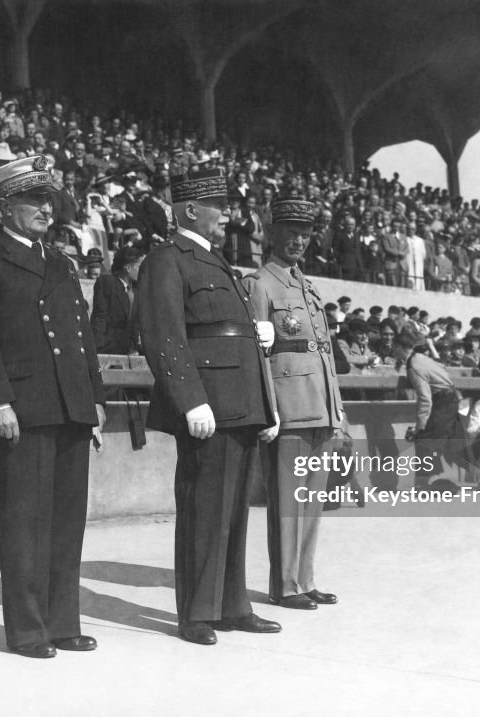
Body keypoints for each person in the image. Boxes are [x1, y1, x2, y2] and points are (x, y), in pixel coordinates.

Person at [0, 155, 106, 659]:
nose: (47, 208)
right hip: (21, 408)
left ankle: (63, 623)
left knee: (67, 522)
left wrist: (94, 400)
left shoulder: (60, 264)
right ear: (3, 206)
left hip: (70, 407)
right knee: (23, 524)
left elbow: (81, 337)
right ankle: (27, 630)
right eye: (34, 200)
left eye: (49, 199)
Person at [138, 168, 280, 646]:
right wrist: (190, 399)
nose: (227, 214)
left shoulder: (217, 261)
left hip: (241, 405)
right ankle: (197, 612)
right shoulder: (167, 259)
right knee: (203, 510)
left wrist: (266, 403)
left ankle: (232, 605)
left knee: (235, 512)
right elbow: (164, 335)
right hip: (208, 408)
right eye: (218, 204)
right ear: (191, 209)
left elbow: (240, 340)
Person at [243, 198, 342, 611]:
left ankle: (305, 578)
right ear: (272, 234)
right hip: (288, 410)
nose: (299, 240)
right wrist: (268, 410)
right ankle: (284, 584)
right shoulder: (259, 284)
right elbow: (257, 355)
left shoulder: (309, 286)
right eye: (291, 232)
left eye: (306, 233)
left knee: (312, 503)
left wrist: (339, 414)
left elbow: (325, 356)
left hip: (320, 406)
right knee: (288, 502)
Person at [395, 328, 465, 482]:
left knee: (425, 440)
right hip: (448, 398)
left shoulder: (414, 365)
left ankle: (425, 483)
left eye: (395, 349)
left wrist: (420, 425)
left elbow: (425, 398)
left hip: (443, 402)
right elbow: (441, 367)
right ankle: (428, 481)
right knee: (432, 441)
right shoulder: (419, 357)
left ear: (399, 348)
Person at [90, 244, 143, 355]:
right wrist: (97, 350)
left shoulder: (137, 290)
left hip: (126, 352)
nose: (143, 271)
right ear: (128, 267)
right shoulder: (107, 283)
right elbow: (100, 317)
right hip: (106, 350)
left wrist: (133, 348)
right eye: (139, 266)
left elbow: (135, 324)